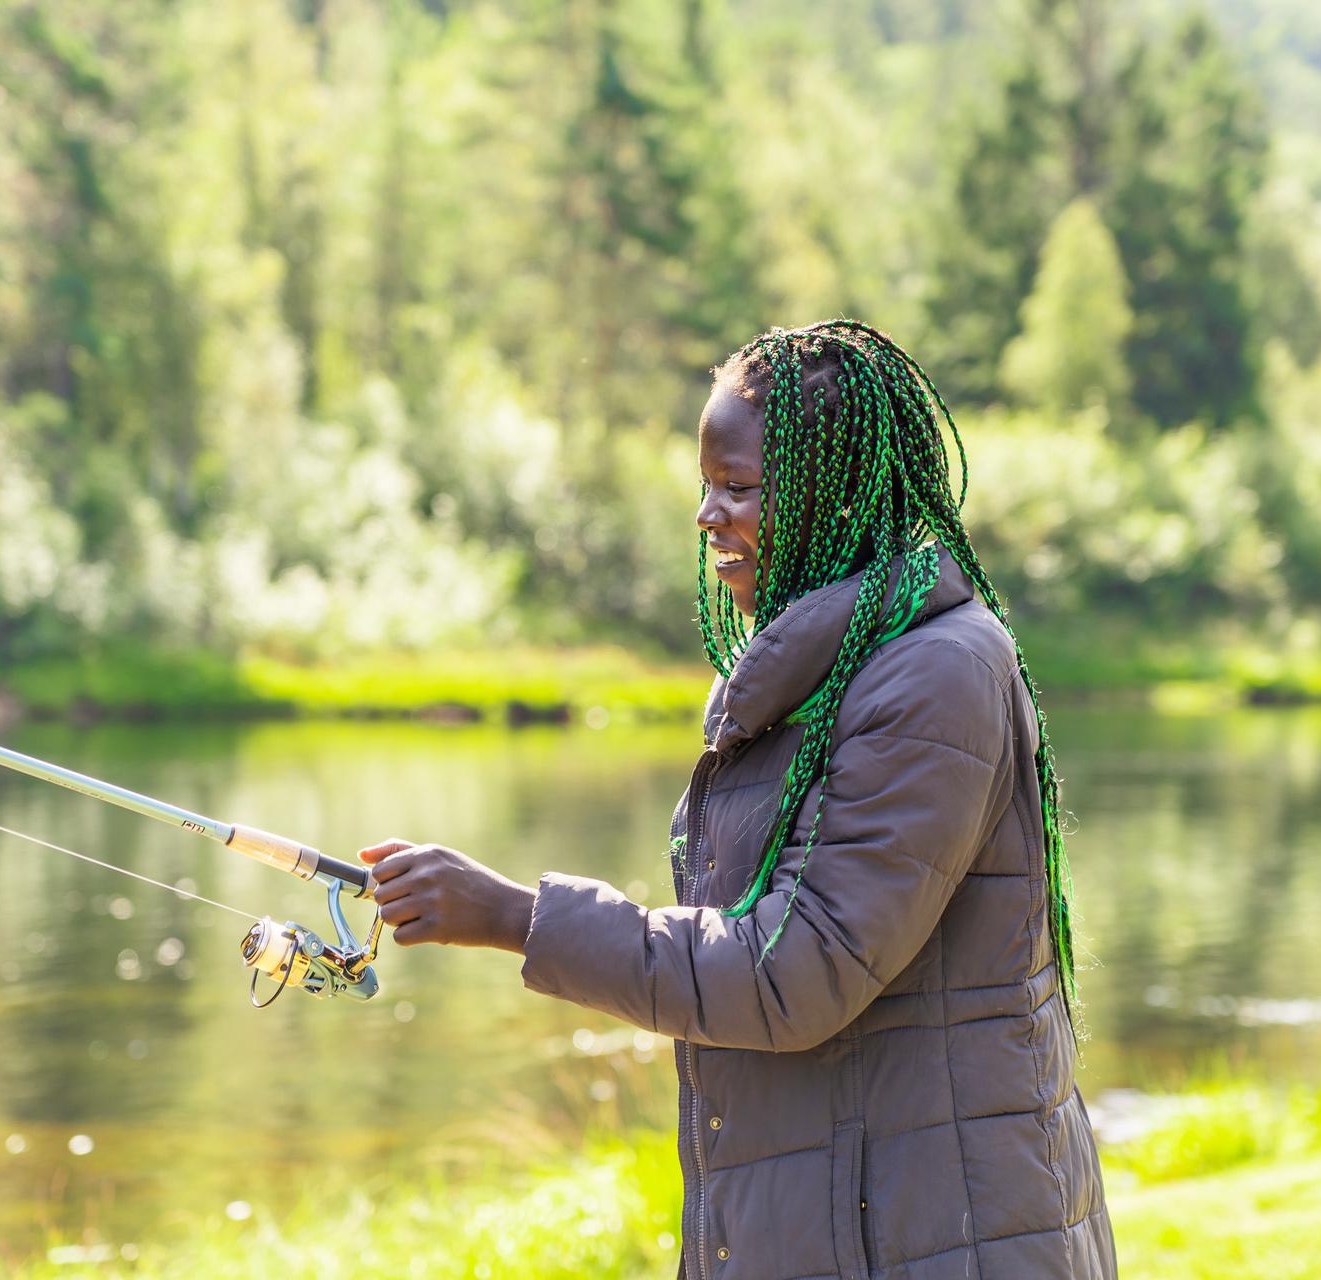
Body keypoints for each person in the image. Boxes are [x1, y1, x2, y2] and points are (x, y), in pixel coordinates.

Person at [357, 319, 1117, 1279]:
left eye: (741, 489)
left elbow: (794, 972)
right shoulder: (823, 669)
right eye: (704, 487)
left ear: (831, 495)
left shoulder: (936, 676)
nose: (709, 516)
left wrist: (519, 916)